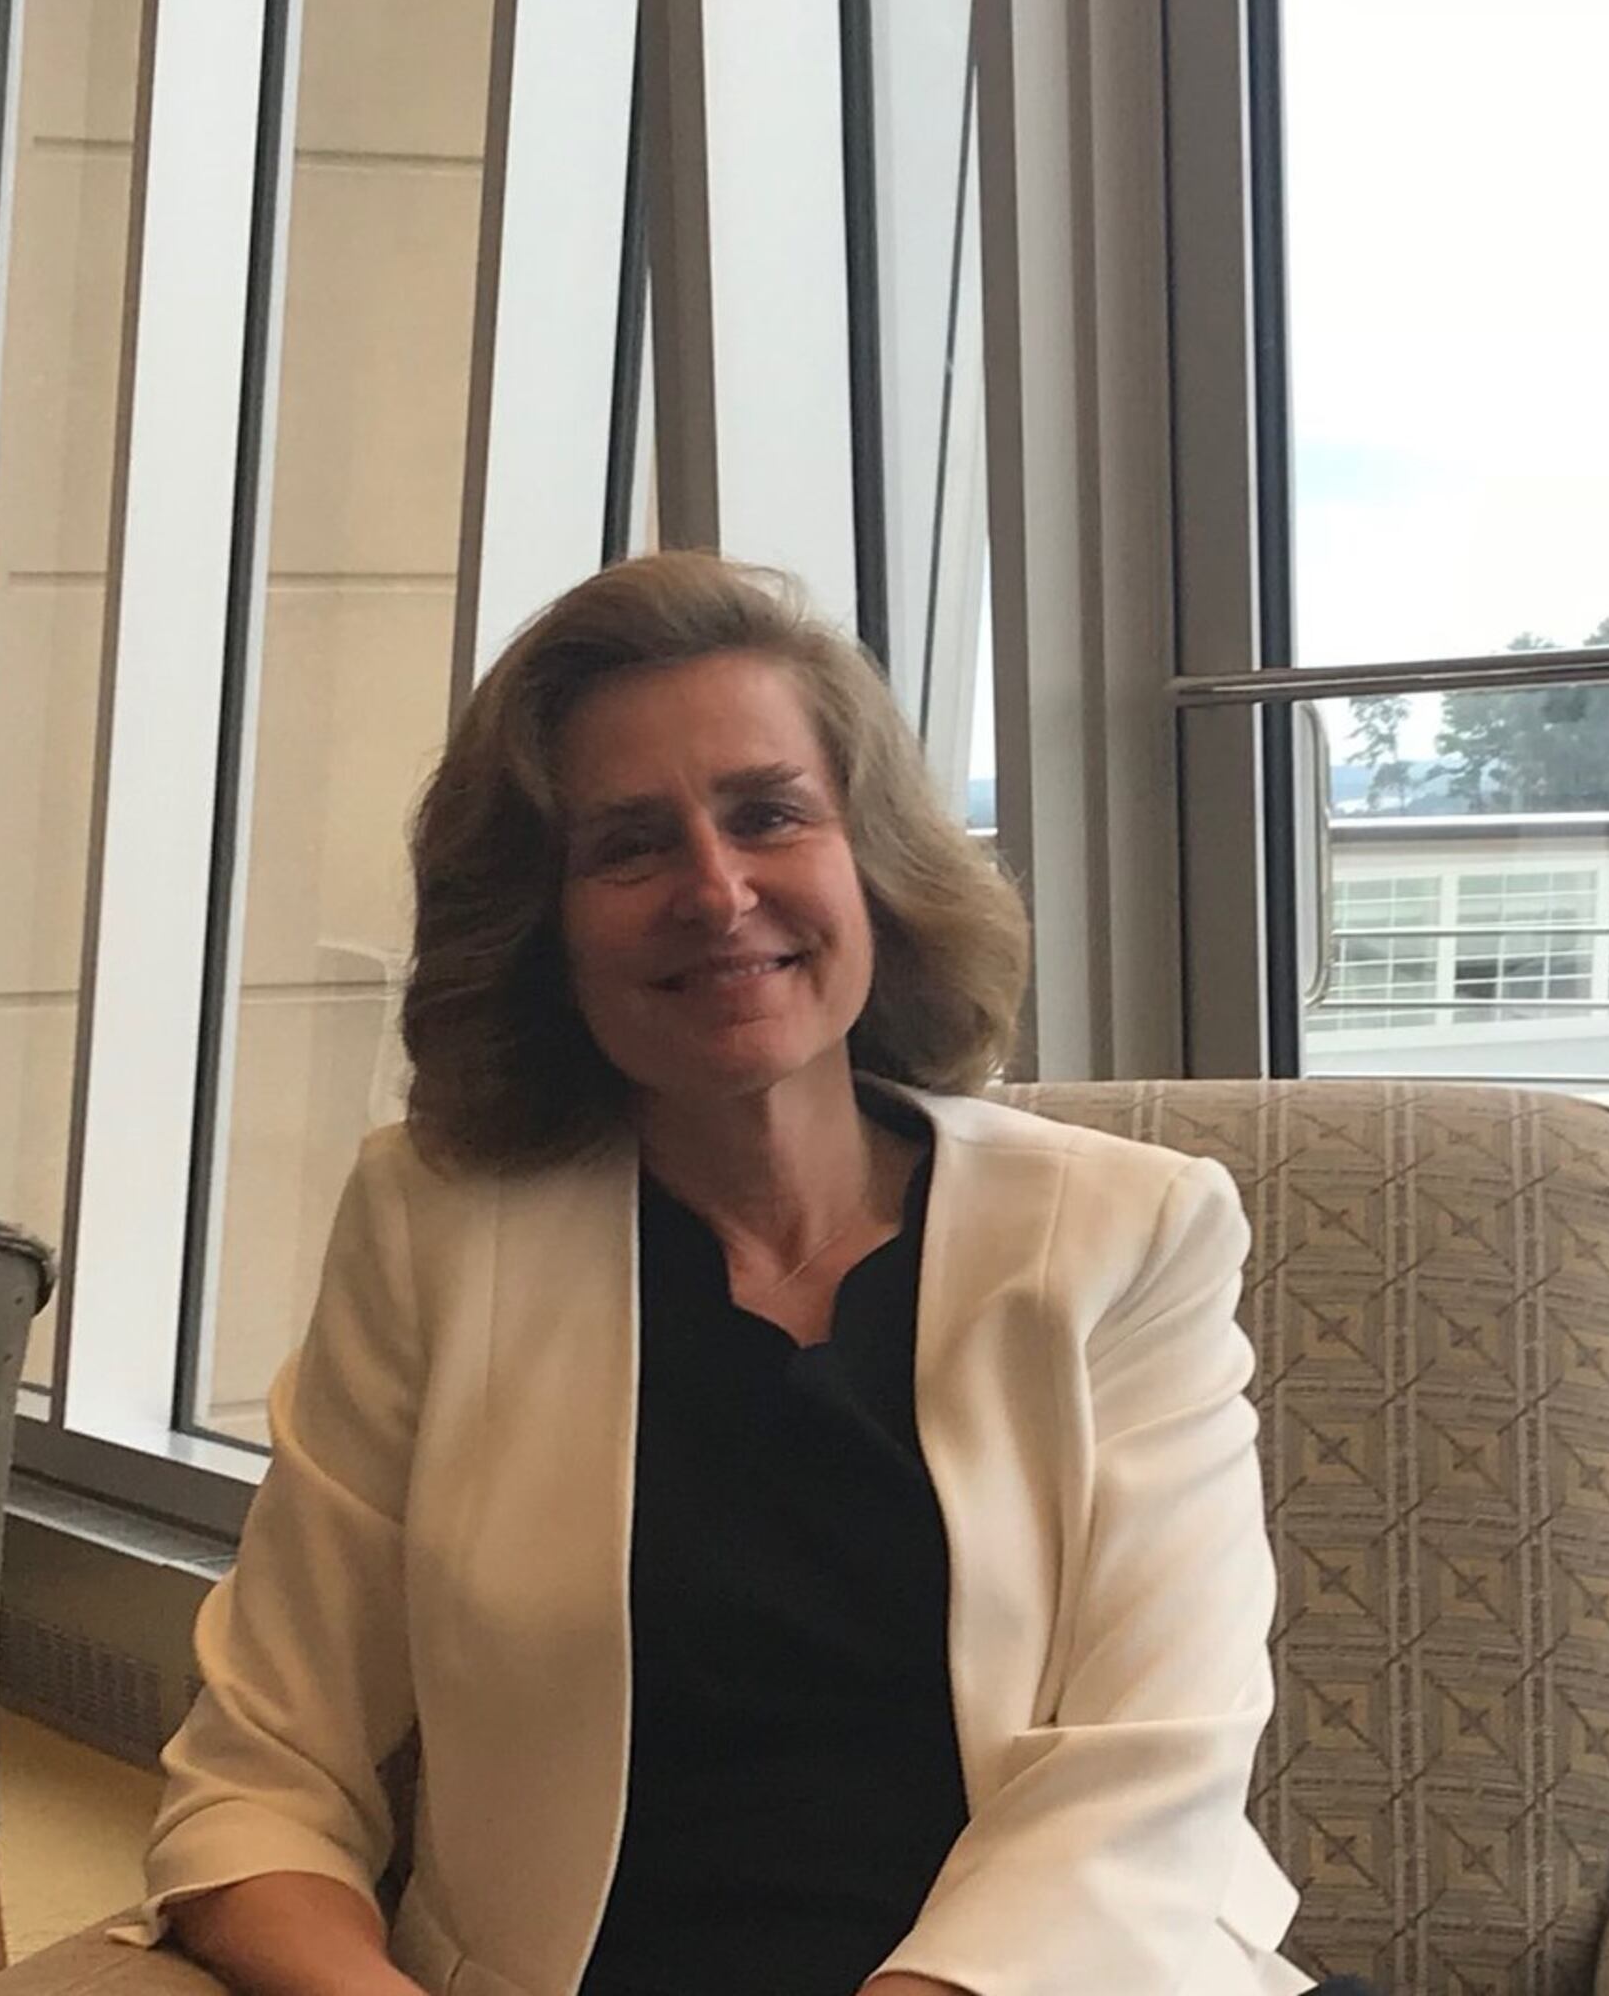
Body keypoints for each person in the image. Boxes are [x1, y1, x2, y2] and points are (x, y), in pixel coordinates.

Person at [130, 553, 1318, 1996]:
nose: (716, 889)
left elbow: (1150, 1773)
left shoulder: (1132, 1234)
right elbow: (258, 1779)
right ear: (544, 926)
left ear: (869, 863)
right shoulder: (431, 1229)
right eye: (627, 846)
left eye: (769, 815)